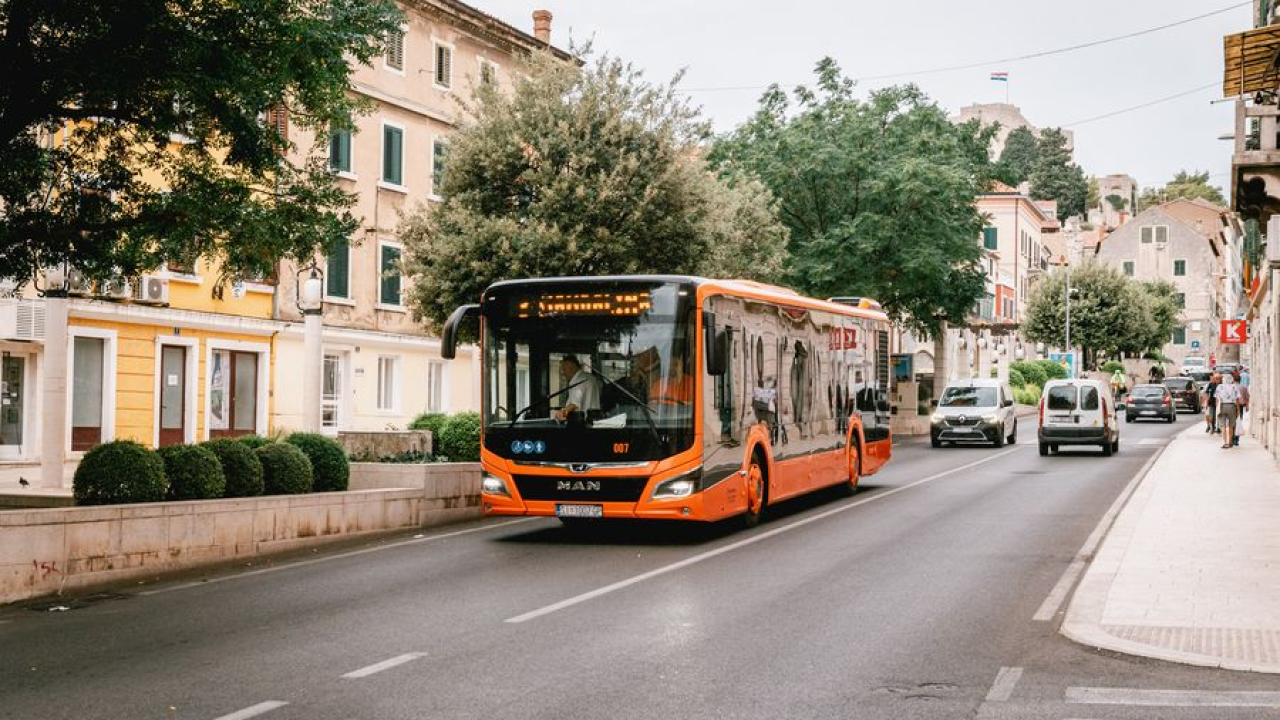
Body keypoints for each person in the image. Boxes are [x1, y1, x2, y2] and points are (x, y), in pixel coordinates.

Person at [554, 354, 601, 421]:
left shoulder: (578, 380)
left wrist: (562, 413)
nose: (563, 373)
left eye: (564, 369)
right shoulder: (591, 378)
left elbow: (574, 404)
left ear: (572, 367)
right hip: (595, 422)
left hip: (582, 424)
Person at [1215, 374, 1242, 449]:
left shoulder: (1219, 387)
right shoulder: (1234, 387)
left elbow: (1217, 399)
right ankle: (1230, 442)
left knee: (1223, 426)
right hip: (1232, 406)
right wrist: (1238, 410)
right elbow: (1237, 400)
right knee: (1231, 426)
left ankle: (1225, 442)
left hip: (1222, 406)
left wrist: (1217, 408)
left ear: (1223, 379)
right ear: (1231, 379)